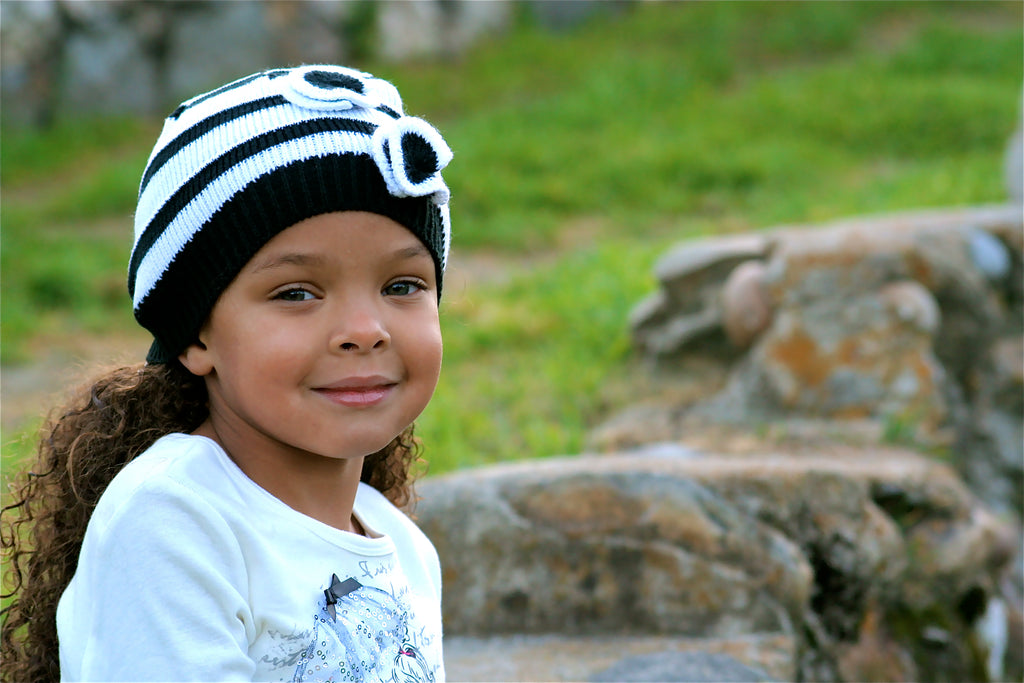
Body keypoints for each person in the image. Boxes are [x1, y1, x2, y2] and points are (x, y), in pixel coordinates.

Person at [1, 64, 454, 682]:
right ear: (194, 335)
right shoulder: (173, 522)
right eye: (297, 293)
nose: (365, 329)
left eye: (402, 285)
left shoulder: (405, 551)